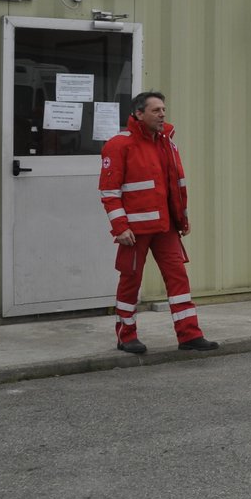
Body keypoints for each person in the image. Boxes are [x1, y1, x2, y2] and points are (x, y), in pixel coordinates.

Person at [98, 91, 220, 355]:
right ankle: (126, 336)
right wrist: (120, 228)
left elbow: (175, 186)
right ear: (138, 114)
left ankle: (189, 335)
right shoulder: (119, 145)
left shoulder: (166, 142)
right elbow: (109, 191)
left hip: (165, 227)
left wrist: (181, 219)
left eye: (164, 109)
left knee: (178, 278)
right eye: (156, 110)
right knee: (130, 281)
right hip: (135, 231)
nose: (162, 114)